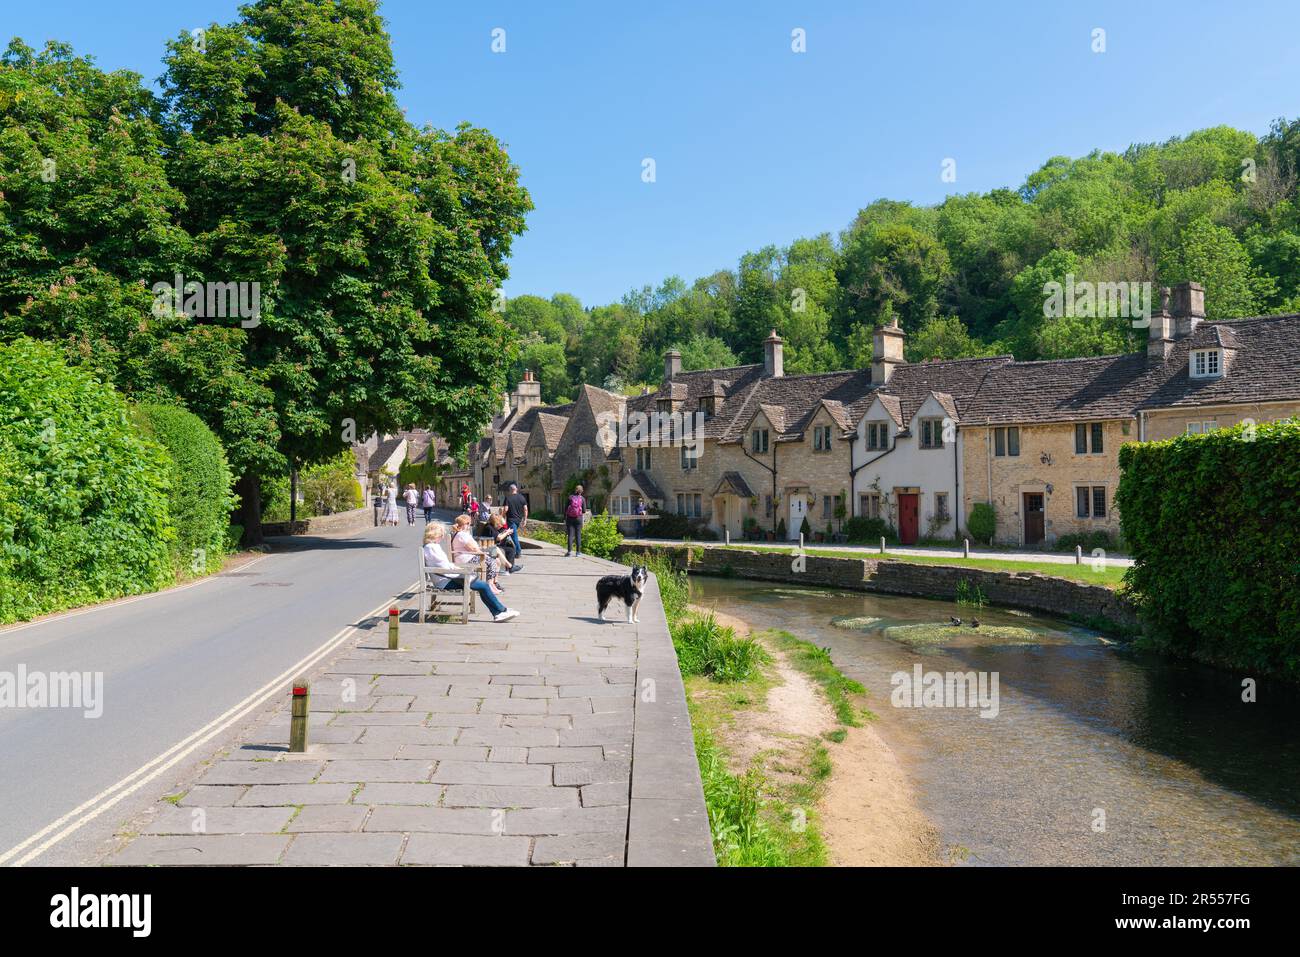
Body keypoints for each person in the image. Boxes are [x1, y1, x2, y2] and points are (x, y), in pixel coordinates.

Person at [423, 521, 518, 622]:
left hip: (445, 579)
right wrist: (461, 571)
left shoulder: (430, 546)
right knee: (484, 586)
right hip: (445, 581)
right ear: (435, 534)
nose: (442, 537)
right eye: (441, 534)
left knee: (482, 586)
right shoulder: (432, 547)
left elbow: (444, 565)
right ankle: (500, 611)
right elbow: (443, 566)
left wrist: (457, 569)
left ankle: (498, 612)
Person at [450, 514, 506, 593]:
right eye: (468, 524)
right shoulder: (461, 535)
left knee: (494, 560)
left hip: (467, 557)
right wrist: (483, 554)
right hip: (465, 559)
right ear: (464, 524)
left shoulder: (461, 534)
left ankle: (491, 584)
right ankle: (489, 584)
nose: (469, 526)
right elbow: (472, 548)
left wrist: (482, 553)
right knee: (492, 561)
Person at [503, 482, 528, 558]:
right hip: (518, 520)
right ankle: (514, 550)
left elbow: (506, 509)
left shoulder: (508, 498)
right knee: (512, 535)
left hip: (511, 519)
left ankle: (518, 551)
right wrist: (525, 519)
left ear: (510, 490)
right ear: (516, 489)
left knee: (514, 536)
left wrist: (503, 516)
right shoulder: (522, 497)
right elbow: (525, 509)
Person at [564, 484, 587, 557]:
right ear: (581, 491)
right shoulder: (582, 499)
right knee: (578, 535)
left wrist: (565, 517)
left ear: (575, 489)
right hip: (578, 518)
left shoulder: (570, 497)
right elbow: (584, 511)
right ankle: (578, 553)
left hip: (570, 518)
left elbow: (565, 509)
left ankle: (569, 552)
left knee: (570, 535)